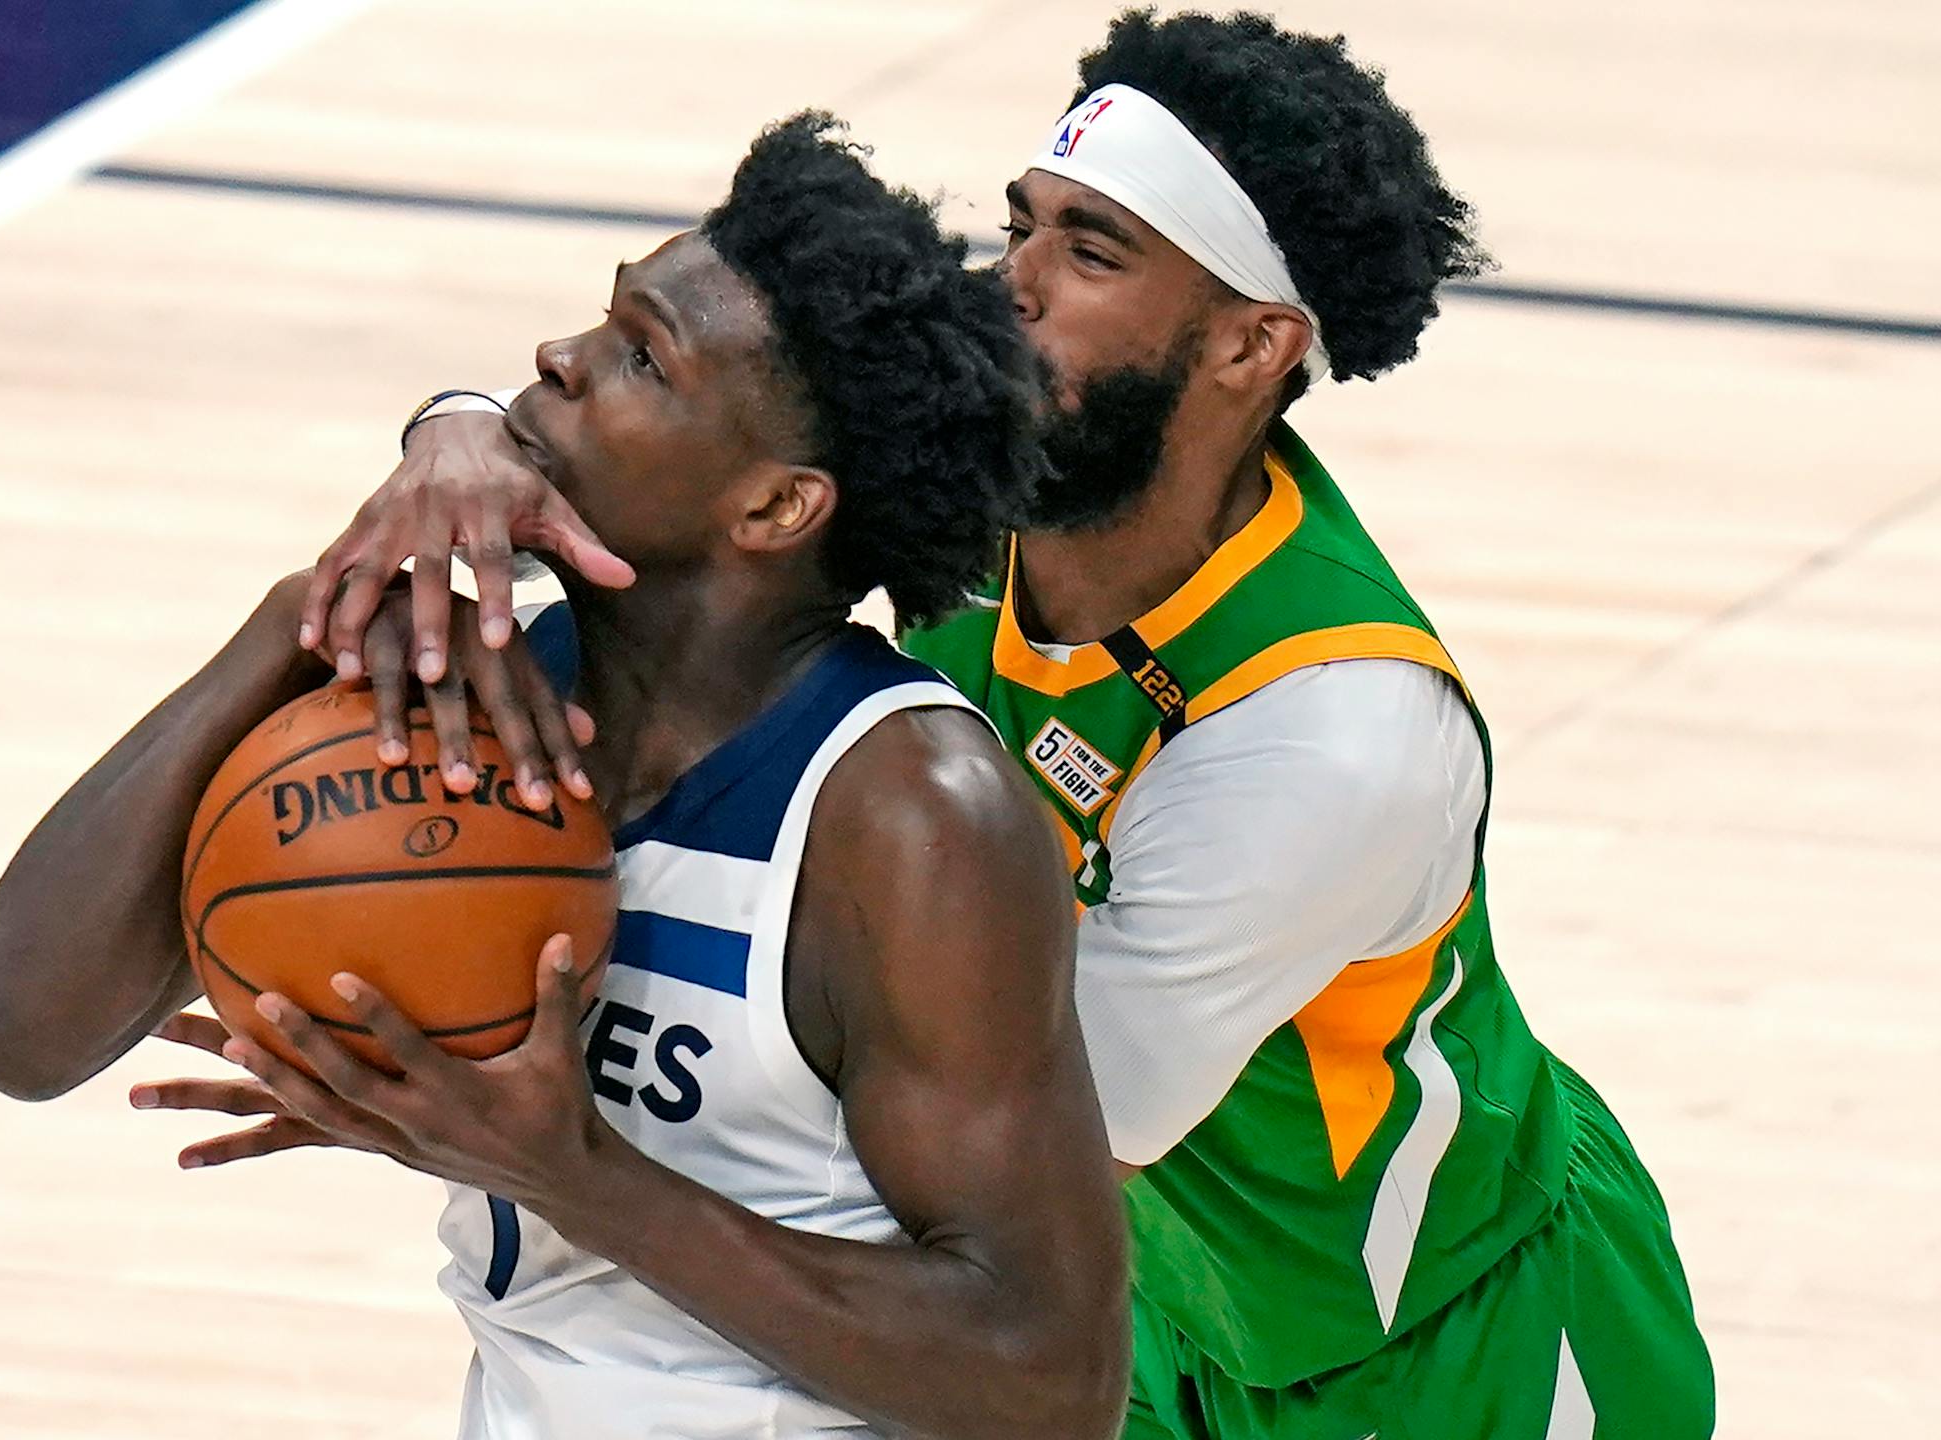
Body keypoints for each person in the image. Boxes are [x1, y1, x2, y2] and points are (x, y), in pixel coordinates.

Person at [307, 12, 1717, 1439]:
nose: (1012, 287)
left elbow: (1068, 1103)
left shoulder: (1332, 731)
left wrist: (566, 1091)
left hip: (1432, 1356)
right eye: (1022, 226)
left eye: (1091, 253)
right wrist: (464, 429)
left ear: (1248, 343)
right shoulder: (998, 486)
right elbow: (701, 449)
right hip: (1146, 1320)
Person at [0, 114, 1130, 1440]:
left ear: (773, 509)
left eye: (639, 357)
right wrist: (295, 623)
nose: (559, 358)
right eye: (600, 322)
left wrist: (571, 1173)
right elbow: (11, 1030)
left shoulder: (907, 817)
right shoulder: (444, 691)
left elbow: (1050, 1376)